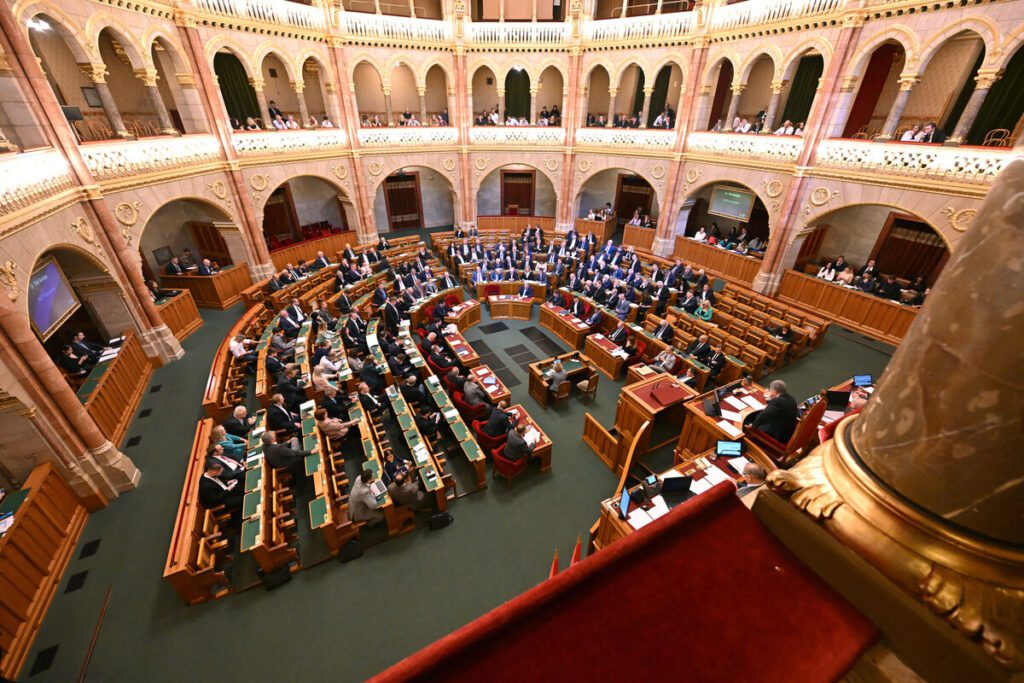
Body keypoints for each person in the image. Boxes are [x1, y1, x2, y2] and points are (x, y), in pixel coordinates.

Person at [749, 380, 799, 444]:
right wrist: (772, 399)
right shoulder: (791, 398)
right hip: (787, 431)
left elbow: (764, 415)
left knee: (750, 422)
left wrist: (753, 426)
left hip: (777, 434)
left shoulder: (778, 402)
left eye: (770, 390)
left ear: (774, 390)